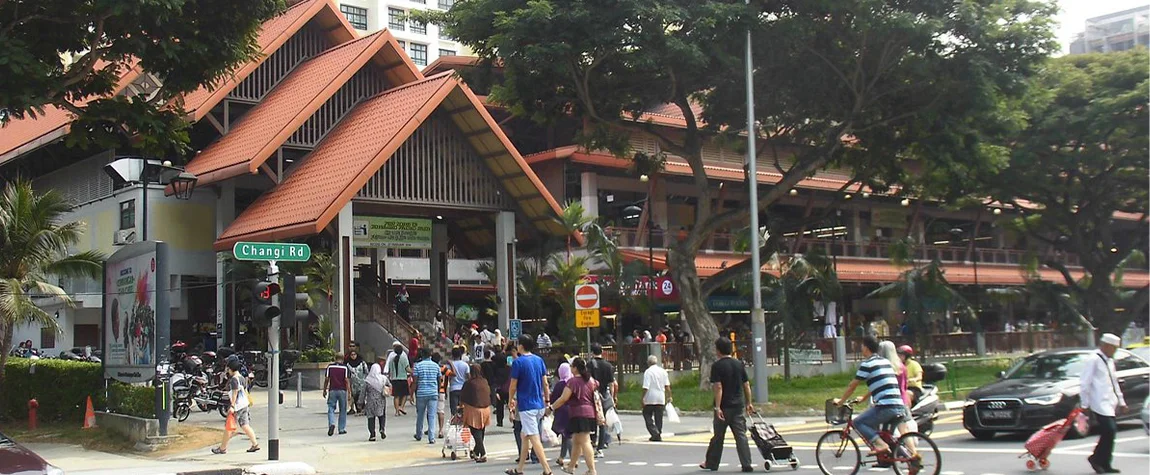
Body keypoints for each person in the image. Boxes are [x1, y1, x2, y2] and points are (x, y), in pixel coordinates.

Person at [836, 336, 908, 455]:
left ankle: (880, 445)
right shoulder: (885, 362)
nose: (861, 348)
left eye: (862, 346)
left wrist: (841, 401)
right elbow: (882, 384)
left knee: (858, 423)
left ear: (866, 348)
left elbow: (852, 386)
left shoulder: (867, 364)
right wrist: (863, 398)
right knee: (887, 437)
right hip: (899, 405)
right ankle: (911, 460)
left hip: (886, 407)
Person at [701, 337, 755, 472]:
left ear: (718, 350)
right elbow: (746, 385)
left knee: (718, 436)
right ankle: (746, 463)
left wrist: (717, 407)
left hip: (724, 407)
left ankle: (712, 463)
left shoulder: (717, 366)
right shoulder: (738, 364)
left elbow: (718, 387)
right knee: (741, 436)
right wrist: (749, 402)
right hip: (738, 406)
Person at [505, 334, 553, 475]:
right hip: (539, 403)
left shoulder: (518, 363)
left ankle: (547, 469)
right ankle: (519, 469)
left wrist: (510, 401)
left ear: (521, 346)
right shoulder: (539, 360)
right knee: (524, 434)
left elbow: (513, 385)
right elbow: (545, 382)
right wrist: (547, 400)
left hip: (526, 405)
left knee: (533, 436)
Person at [1081, 333, 1127, 474]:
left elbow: (1114, 382)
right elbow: (1085, 383)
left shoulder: (1109, 361)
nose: (1114, 351)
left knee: (1110, 433)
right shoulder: (1093, 359)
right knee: (1109, 430)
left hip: (1109, 402)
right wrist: (1085, 404)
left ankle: (1106, 463)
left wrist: (1121, 401)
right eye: (1113, 348)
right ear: (1106, 346)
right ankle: (1096, 459)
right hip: (1098, 402)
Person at [547, 357, 600, 475]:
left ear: (575, 368)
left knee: (585, 441)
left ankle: (592, 470)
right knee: (576, 440)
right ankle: (571, 467)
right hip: (590, 413)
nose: (570, 368)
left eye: (571, 366)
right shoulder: (590, 380)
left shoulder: (572, 382)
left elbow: (563, 398)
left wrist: (551, 407)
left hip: (578, 413)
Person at [212, 359, 259, 454]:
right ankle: (255, 444)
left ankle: (222, 448)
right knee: (245, 425)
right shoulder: (242, 377)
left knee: (229, 427)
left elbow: (234, 394)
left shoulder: (234, 379)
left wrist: (232, 406)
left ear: (230, 368)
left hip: (237, 406)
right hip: (244, 404)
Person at [587, 343, 617, 457]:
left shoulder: (590, 364)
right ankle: (601, 446)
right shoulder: (608, 365)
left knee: (592, 420)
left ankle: (592, 442)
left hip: (592, 395)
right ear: (602, 352)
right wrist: (612, 397)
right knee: (602, 421)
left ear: (592, 353)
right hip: (604, 395)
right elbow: (612, 383)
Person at [461, 363, 492, 463]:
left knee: (475, 432)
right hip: (486, 408)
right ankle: (475, 452)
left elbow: (463, 396)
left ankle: (483, 453)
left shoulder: (469, 383)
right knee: (481, 430)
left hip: (474, 409)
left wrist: (460, 405)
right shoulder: (485, 381)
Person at [411, 348, 441, 444]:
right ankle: (431, 438)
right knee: (432, 415)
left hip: (421, 393)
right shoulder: (436, 366)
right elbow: (439, 380)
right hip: (433, 393)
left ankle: (419, 434)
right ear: (430, 355)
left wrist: (411, 393)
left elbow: (415, 381)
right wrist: (437, 391)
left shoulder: (417, 366)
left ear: (422, 355)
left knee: (420, 415)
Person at [642, 354, 672, 442]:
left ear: (648, 363)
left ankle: (654, 432)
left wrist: (643, 398)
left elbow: (645, 387)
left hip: (650, 398)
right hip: (660, 397)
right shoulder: (663, 371)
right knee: (659, 417)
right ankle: (658, 432)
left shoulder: (648, 372)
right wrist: (669, 396)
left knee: (647, 415)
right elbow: (667, 386)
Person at [550, 362, 575, 468]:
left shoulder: (560, 384)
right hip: (572, 411)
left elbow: (553, 398)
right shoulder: (572, 382)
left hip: (561, 411)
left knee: (567, 435)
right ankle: (561, 457)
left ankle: (574, 459)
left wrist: (551, 407)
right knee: (565, 435)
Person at [361, 355, 391, 441]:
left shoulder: (367, 380)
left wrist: (360, 402)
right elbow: (389, 385)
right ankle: (382, 428)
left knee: (371, 418)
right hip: (381, 400)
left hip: (370, 402)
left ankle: (372, 435)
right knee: (382, 415)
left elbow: (363, 392)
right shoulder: (383, 378)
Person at [322, 352, 351, 436]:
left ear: (335, 358)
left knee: (331, 408)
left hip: (332, 390)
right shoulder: (345, 368)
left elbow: (327, 379)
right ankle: (341, 429)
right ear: (343, 359)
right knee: (343, 409)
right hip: (342, 390)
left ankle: (332, 423)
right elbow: (346, 380)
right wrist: (349, 392)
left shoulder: (330, 367)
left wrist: (324, 390)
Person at [385, 342, 411, 416]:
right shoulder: (404, 358)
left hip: (394, 379)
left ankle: (396, 411)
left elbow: (390, 369)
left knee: (396, 396)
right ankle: (401, 407)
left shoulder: (391, 359)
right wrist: (412, 372)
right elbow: (407, 368)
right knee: (405, 394)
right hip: (403, 378)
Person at [346, 346, 368, 415]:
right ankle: (358, 409)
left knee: (362, 396)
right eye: (352, 355)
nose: (353, 356)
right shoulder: (348, 364)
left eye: (354, 354)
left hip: (362, 382)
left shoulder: (362, 363)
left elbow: (366, 372)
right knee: (355, 396)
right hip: (353, 384)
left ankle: (363, 409)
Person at [449, 346, 470, 414]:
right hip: (463, 388)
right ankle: (462, 422)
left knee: (454, 409)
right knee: (462, 408)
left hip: (453, 388)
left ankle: (455, 422)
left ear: (452, 355)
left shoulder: (450, 365)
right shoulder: (465, 365)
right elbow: (468, 377)